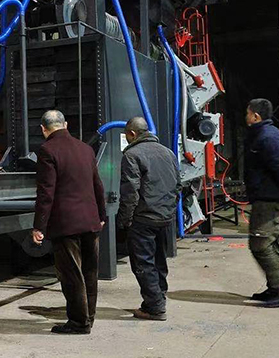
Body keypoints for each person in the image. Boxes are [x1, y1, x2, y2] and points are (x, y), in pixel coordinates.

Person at [32, 110, 106, 335]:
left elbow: (46, 192)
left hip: (66, 224)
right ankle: (88, 317)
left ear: (43, 129)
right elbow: (97, 185)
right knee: (90, 272)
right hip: (90, 220)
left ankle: (78, 323)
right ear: (65, 124)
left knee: (71, 274)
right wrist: (101, 215)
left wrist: (39, 226)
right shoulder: (85, 149)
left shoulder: (47, 150)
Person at [117, 116, 181, 322]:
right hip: (165, 217)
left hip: (143, 218)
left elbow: (130, 193)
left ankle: (155, 307)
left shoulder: (132, 155)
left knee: (143, 264)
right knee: (159, 261)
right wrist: (169, 210)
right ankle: (157, 299)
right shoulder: (168, 152)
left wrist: (124, 221)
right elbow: (178, 185)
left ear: (132, 134)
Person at [244, 98, 279, 307]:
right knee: (273, 245)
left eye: (247, 113)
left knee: (260, 245)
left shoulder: (267, 138)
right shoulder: (266, 135)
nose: (246, 117)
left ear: (255, 116)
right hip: (268, 199)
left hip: (269, 202)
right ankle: (274, 289)